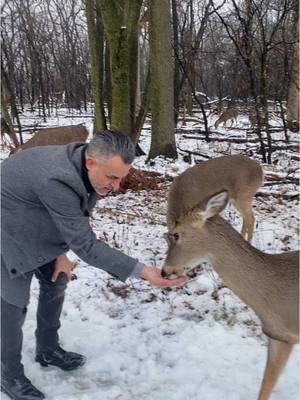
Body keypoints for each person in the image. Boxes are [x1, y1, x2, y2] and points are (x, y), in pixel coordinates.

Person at [1, 130, 187, 400]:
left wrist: (60, 251)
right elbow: (85, 245)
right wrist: (144, 272)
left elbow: (73, 218)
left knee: (57, 276)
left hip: (34, 215)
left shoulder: (87, 167)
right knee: (12, 303)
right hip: (6, 228)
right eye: (113, 177)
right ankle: (9, 376)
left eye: (121, 178)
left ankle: (48, 348)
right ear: (90, 161)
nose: (117, 186)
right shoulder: (56, 178)